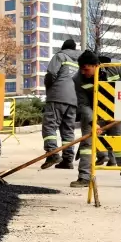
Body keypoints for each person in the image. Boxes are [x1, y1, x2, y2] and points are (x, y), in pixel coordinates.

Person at [71, 50, 121, 189]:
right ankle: (84, 177)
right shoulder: (78, 79)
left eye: (86, 69)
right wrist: (93, 123)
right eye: (81, 69)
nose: (83, 72)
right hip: (95, 113)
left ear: (96, 65)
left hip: (117, 112)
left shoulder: (115, 67)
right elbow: (84, 104)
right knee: (87, 144)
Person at [40, 38, 79, 170]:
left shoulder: (60, 56)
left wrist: (49, 86)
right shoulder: (80, 61)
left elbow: (51, 74)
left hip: (57, 96)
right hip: (74, 99)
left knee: (49, 126)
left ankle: (52, 153)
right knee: (68, 130)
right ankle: (67, 160)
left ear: (63, 47)